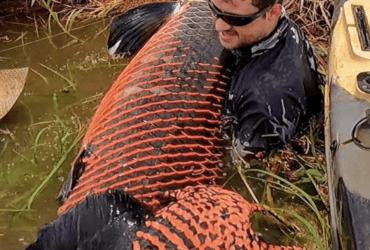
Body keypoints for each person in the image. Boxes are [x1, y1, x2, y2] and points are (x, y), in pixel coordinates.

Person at [208, 0, 323, 154]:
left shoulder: (263, 107)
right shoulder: (275, 27)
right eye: (215, 9)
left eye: (235, 19)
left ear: (273, 13)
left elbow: (250, 167)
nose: (219, 26)